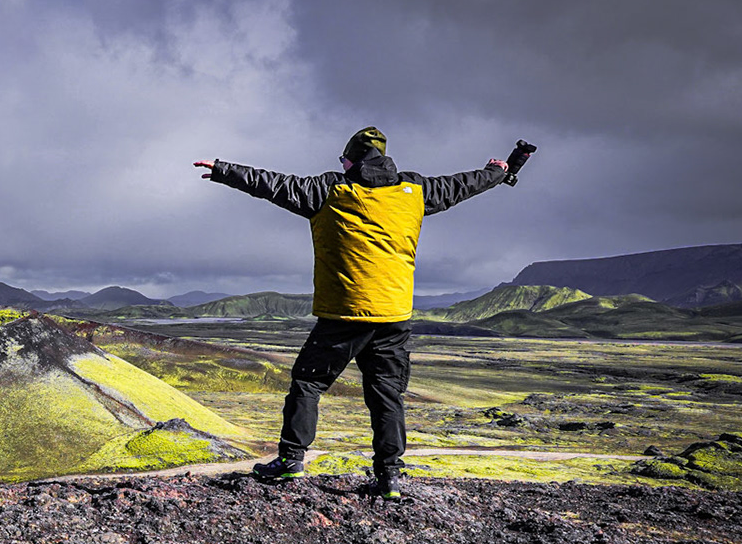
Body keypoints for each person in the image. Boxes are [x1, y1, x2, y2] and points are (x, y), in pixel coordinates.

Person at [196, 127, 509, 500]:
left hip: (344, 314)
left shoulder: (330, 189)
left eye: (343, 159)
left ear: (353, 159)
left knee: (309, 383)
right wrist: (497, 172)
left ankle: (291, 461)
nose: (341, 164)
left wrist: (222, 169)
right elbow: (462, 184)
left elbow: (274, 184)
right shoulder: (414, 191)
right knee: (387, 394)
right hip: (393, 315)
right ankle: (390, 476)